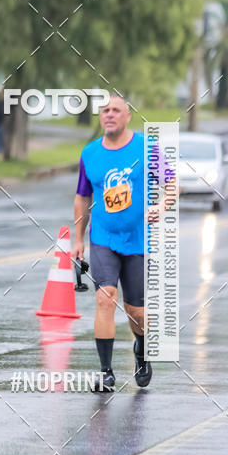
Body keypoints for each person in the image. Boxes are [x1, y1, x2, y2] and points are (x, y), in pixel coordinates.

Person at [71, 93, 154, 393]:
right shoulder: (90, 153)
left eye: (116, 110)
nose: (109, 114)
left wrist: (162, 205)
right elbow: (82, 197)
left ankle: (141, 348)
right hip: (102, 237)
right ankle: (106, 372)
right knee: (105, 298)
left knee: (136, 311)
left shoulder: (147, 147)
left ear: (128, 116)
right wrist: (78, 240)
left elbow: (172, 184)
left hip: (138, 240)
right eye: (105, 110)